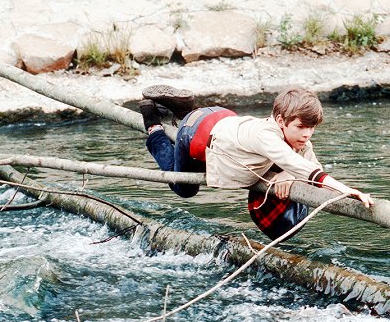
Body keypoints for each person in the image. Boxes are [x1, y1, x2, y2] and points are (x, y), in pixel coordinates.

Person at [139, 85, 373, 240]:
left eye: (311, 128)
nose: (307, 134)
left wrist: (287, 175)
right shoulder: (265, 135)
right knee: (184, 188)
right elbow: (302, 167)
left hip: (220, 117)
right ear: (280, 120)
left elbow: (310, 169)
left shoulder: (298, 141)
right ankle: (154, 124)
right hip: (195, 132)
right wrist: (347, 189)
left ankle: (185, 109)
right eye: (300, 127)